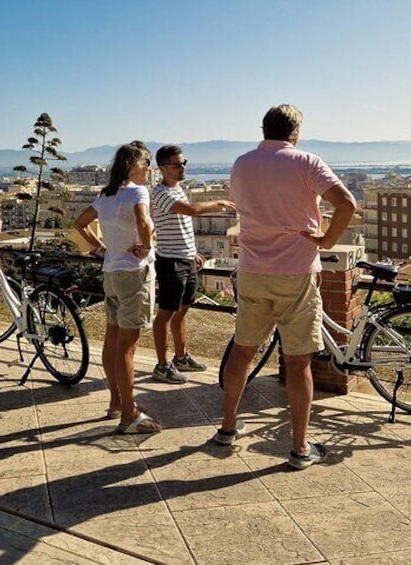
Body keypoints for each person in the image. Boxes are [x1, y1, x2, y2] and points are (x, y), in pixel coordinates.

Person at [218, 104, 356, 470]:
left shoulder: (241, 163)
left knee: (242, 352)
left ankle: (227, 428)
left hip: (251, 270)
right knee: (298, 364)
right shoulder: (307, 162)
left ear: (263, 129)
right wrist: (326, 241)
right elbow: (347, 203)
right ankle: (298, 448)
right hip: (296, 271)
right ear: (296, 132)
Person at [74, 141, 162, 434]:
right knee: (127, 348)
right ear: (133, 166)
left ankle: (116, 402)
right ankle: (129, 414)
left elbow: (79, 223)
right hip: (134, 274)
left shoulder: (106, 195)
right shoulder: (138, 191)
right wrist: (146, 246)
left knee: (112, 342)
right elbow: (142, 220)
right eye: (146, 163)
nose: (150, 169)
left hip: (111, 272)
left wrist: (102, 247)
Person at [151, 145, 234, 384]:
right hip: (171, 262)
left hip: (187, 259)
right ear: (163, 168)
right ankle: (161, 365)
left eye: (183, 162)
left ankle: (180, 357)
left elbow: (180, 225)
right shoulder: (160, 193)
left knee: (182, 311)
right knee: (166, 314)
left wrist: (193, 252)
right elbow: (191, 211)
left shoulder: (178, 189)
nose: (182, 167)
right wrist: (219, 203)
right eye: (177, 164)